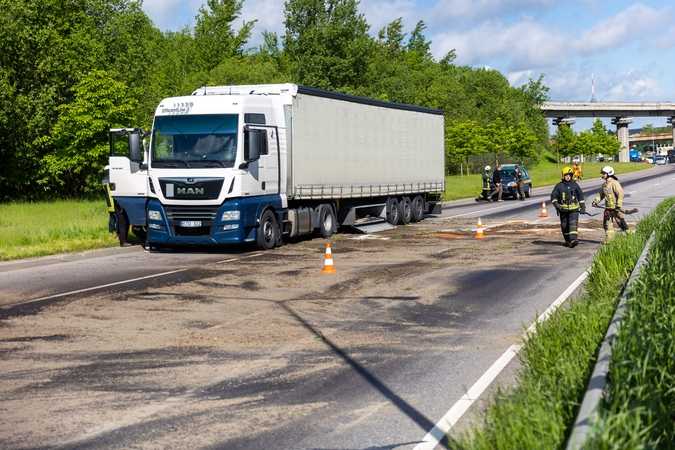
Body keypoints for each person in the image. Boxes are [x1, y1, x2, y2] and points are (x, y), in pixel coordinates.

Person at [591, 166, 632, 244]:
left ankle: (630, 236)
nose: (602, 175)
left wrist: (618, 205)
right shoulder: (604, 185)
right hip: (608, 208)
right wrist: (596, 201)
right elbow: (601, 194)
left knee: (621, 223)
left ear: (609, 173)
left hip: (616, 208)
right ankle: (609, 239)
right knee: (607, 224)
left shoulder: (614, 183)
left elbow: (621, 194)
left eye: (604, 173)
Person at [550, 166, 586, 248]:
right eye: (566, 175)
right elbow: (553, 197)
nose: (568, 177)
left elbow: (580, 196)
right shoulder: (559, 186)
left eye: (569, 175)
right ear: (563, 176)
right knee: (564, 226)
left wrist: (583, 207)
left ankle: (573, 240)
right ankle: (567, 240)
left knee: (573, 224)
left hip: (574, 210)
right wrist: (556, 205)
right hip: (563, 210)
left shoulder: (575, 185)